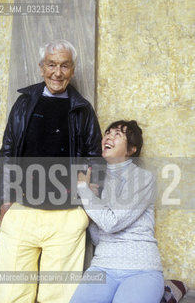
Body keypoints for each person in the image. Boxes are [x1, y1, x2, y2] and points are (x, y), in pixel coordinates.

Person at [0, 39, 102, 303]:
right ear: (42, 67)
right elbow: (7, 153)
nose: (58, 72)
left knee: (58, 296)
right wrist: (5, 200)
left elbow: (95, 159)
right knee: (11, 293)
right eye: (52, 64)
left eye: (64, 65)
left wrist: (86, 208)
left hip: (66, 215)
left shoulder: (83, 109)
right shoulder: (23, 103)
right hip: (22, 210)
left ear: (72, 69)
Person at [70, 120, 164, 303]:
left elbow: (111, 223)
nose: (108, 137)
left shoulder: (143, 178)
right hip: (102, 267)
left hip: (141, 269)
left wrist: (83, 189)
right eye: (107, 133)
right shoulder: (100, 182)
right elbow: (99, 237)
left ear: (131, 150)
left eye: (117, 134)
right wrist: (90, 199)